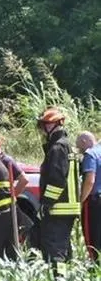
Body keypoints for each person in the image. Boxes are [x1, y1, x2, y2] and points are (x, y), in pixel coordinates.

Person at [36, 107, 80, 268]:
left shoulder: (57, 148)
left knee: (54, 249)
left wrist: (47, 203)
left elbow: (56, 180)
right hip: (66, 207)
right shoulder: (67, 146)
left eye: (47, 125)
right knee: (63, 247)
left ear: (56, 125)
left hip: (59, 207)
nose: (44, 129)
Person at [76, 131, 101, 263]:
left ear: (85, 142)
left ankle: (94, 266)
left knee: (92, 239)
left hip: (95, 202)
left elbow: (90, 180)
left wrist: (81, 200)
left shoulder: (90, 155)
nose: (79, 150)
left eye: (79, 147)